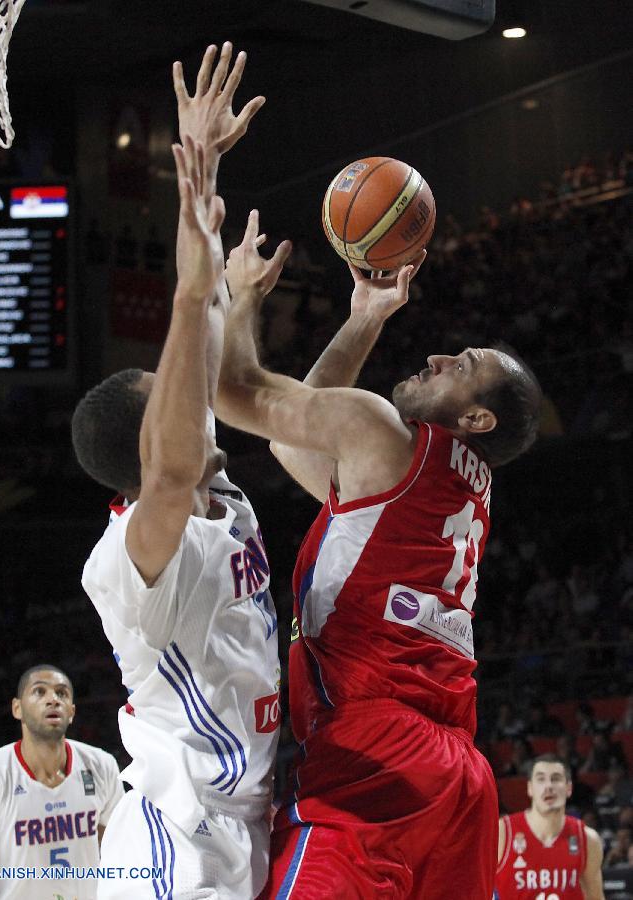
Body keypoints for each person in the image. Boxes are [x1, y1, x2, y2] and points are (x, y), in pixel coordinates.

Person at [216, 209, 543, 897]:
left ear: (477, 418)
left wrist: (240, 294)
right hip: (459, 775)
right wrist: (365, 315)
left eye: (465, 365)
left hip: (377, 750)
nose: (439, 357)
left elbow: (233, 394)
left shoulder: (384, 437)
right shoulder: (452, 485)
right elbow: (294, 444)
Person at [73, 46, 281, 898]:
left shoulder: (220, 501)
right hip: (174, 845)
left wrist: (208, 184)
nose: (192, 400)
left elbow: (205, 363)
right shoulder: (130, 561)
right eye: (173, 402)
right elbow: (171, 465)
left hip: (248, 821)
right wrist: (191, 290)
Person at [0, 664, 123, 900]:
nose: (53, 700)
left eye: (62, 693)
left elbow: (118, 853)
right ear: (17, 708)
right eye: (39, 691)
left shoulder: (101, 766)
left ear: (72, 711)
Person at [495, 755, 604, 899]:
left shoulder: (588, 839)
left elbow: (595, 897)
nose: (548, 786)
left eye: (556, 778)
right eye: (541, 779)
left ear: (569, 788)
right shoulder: (503, 832)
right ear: (530, 788)